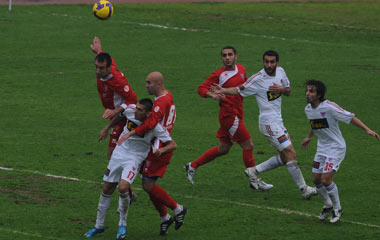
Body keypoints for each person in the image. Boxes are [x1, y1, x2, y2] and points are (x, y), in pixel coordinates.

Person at [212, 50, 317, 199]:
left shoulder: (281, 72)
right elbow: (238, 89)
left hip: (278, 121)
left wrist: (282, 89)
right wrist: (223, 90)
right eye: (266, 62)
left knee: (285, 157)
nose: (269, 65)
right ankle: (304, 189)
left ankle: (254, 171)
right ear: (263, 62)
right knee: (291, 153)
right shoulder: (258, 78)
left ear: (277, 62)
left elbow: (288, 91)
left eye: (272, 62)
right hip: (268, 124)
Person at [84, 98, 177, 239]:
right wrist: (106, 128)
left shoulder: (155, 126)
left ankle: (122, 225)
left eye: (140, 110)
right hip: (119, 152)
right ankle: (98, 225)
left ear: (147, 113)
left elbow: (172, 144)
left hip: (134, 158)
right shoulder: (130, 111)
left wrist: (161, 151)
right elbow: (119, 117)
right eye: (137, 108)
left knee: (123, 188)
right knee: (107, 188)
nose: (135, 110)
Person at [117, 72, 187, 236]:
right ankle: (164, 217)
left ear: (158, 84)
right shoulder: (166, 97)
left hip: (159, 148)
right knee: (149, 185)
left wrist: (132, 133)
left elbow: (150, 123)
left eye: (149, 83)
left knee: (148, 185)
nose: (146, 85)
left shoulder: (160, 103)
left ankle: (177, 209)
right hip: (156, 145)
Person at [301, 80, 380, 223]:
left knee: (326, 180)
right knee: (316, 180)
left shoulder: (330, 107)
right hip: (322, 148)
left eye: (311, 91)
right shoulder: (308, 109)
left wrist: (367, 129)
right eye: (307, 90)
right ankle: (327, 204)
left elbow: (350, 117)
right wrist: (308, 137)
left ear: (319, 95)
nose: (307, 94)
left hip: (336, 148)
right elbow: (314, 123)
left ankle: (337, 209)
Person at [91, 36, 138, 160]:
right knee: (113, 156)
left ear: (108, 68)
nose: (97, 71)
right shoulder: (106, 67)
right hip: (116, 116)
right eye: (96, 67)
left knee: (113, 156)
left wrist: (114, 111)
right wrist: (99, 51)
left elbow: (133, 100)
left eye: (101, 68)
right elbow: (105, 57)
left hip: (124, 117)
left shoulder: (117, 81)